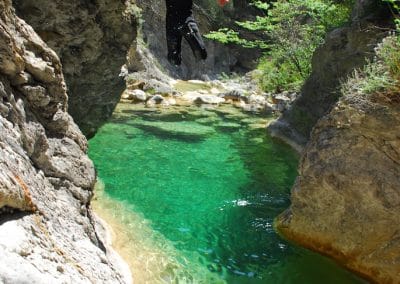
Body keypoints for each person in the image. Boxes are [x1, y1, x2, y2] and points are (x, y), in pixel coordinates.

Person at [165, 0, 229, 66]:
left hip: (171, 19)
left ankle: (174, 57)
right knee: (202, 53)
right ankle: (189, 30)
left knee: (174, 58)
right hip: (185, 17)